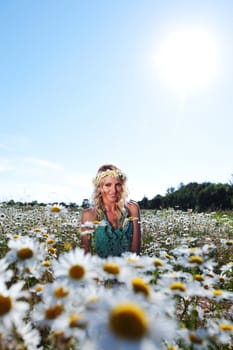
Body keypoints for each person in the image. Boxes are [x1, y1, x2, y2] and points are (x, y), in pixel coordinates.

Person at [81, 164, 141, 258]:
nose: (113, 190)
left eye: (117, 185)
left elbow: (136, 251)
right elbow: (85, 254)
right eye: (108, 185)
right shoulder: (89, 215)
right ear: (99, 188)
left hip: (128, 269)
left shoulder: (132, 208)